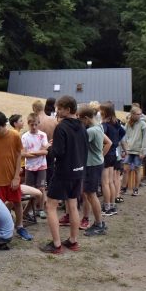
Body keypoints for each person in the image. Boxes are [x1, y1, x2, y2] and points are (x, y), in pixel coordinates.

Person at [40, 96, 88, 254]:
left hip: (63, 172)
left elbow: (58, 153)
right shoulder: (82, 126)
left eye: (59, 109)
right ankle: (73, 241)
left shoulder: (61, 127)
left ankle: (56, 245)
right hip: (78, 171)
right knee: (72, 205)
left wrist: (48, 148)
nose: (57, 111)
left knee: (50, 206)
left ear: (68, 109)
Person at [0, 111, 33, 241]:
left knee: (17, 203)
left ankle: (20, 227)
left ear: (4, 124)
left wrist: (16, 177)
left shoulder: (15, 136)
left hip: (12, 178)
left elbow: (19, 156)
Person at [78, 106, 112, 236]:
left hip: (92, 166)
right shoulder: (99, 127)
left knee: (91, 195)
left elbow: (78, 145)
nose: (80, 122)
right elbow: (107, 143)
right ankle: (98, 223)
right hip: (96, 163)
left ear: (86, 118)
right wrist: (100, 156)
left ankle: (99, 224)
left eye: (81, 120)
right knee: (89, 194)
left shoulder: (91, 131)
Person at [21, 113, 49, 221]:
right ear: (28, 124)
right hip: (30, 167)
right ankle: (29, 210)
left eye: (36, 124)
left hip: (41, 166)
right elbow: (23, 154)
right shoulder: (25, 137)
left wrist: (32, 153)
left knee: (41, 188)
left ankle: (40, 208)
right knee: (31, 190)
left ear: (38, 124)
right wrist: (39, 152)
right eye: (32, 125)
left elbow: (45, 152)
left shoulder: (42, 135)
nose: (34, 127)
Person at [100, 102, 125, 217]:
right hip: (114, 154)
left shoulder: (104, 125)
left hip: (106, 154)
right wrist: (116, 141)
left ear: (104, 112)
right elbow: (123, 132)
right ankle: (112, 205)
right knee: (110, 182)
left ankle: (107, 207)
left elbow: (101, 138)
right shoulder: (116, 122)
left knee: (105, 183)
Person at [123, 107, 146, 196]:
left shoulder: (143, 124)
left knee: (137, 170)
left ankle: (136, 189)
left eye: (140, 114)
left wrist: (143, 151)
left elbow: (145, 138)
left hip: (138, 151)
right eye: (138, 114)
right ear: (132, 114)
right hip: (129, 150)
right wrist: (124, 148)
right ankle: (124, 188)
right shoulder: (128, 124)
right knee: (125, 170)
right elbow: (124, 136)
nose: (140, 116)